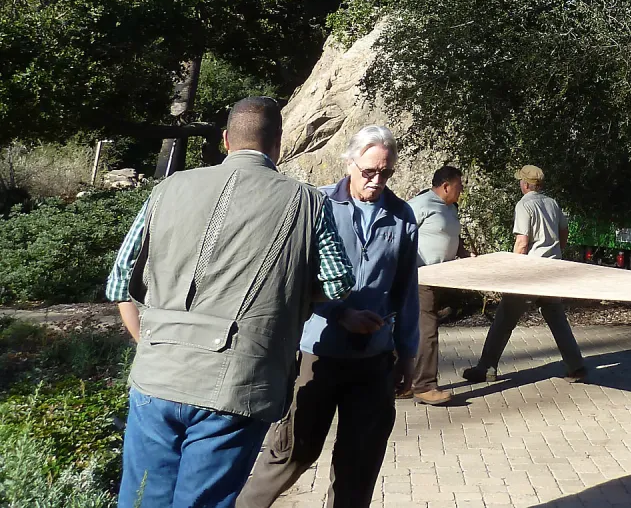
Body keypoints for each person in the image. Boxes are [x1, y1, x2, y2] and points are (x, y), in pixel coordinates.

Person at [105, 96, 355, 508]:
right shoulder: (309, 202)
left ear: (224, 139)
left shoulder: (169, 188)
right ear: (278, 143)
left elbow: (119, 281)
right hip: (238, 383)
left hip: (158, 373)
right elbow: (338, 282)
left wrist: (150, 343)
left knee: (142, 499)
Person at [238, 126, 420, 508]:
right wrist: (339, 313)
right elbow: (292, 278)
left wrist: (407, 353)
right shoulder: (316, 206)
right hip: (316, 354)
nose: (376, 180)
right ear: (349, 161)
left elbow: (406, 292)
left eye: (385, 173)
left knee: (360, 464)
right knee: (292, 453)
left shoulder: (402, 216)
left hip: (374, 360)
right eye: (369, 170)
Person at [461, 164, 587, 384]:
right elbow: (564, 232)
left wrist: (512, 270)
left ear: (526, 185)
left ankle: (486, 368)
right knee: (558, 321)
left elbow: (522, 242)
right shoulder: (552, 203)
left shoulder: (524, 205)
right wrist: (556, 251)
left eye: (520, 181)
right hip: (551, 271)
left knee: (503, 321)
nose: (520, 183)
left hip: (529, 273)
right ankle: (576, 367)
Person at [406, 165, 466, 405]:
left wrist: (463, 252)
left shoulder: (450, 209)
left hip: (442, 277)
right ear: (446, 186)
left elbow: (451, 236)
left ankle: (400, 383)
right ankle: (424, 386)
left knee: (410, 328)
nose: (461, 190)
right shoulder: (421, 204)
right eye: (459, 186)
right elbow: (401, 233)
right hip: (421, 277)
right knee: (427, 330)